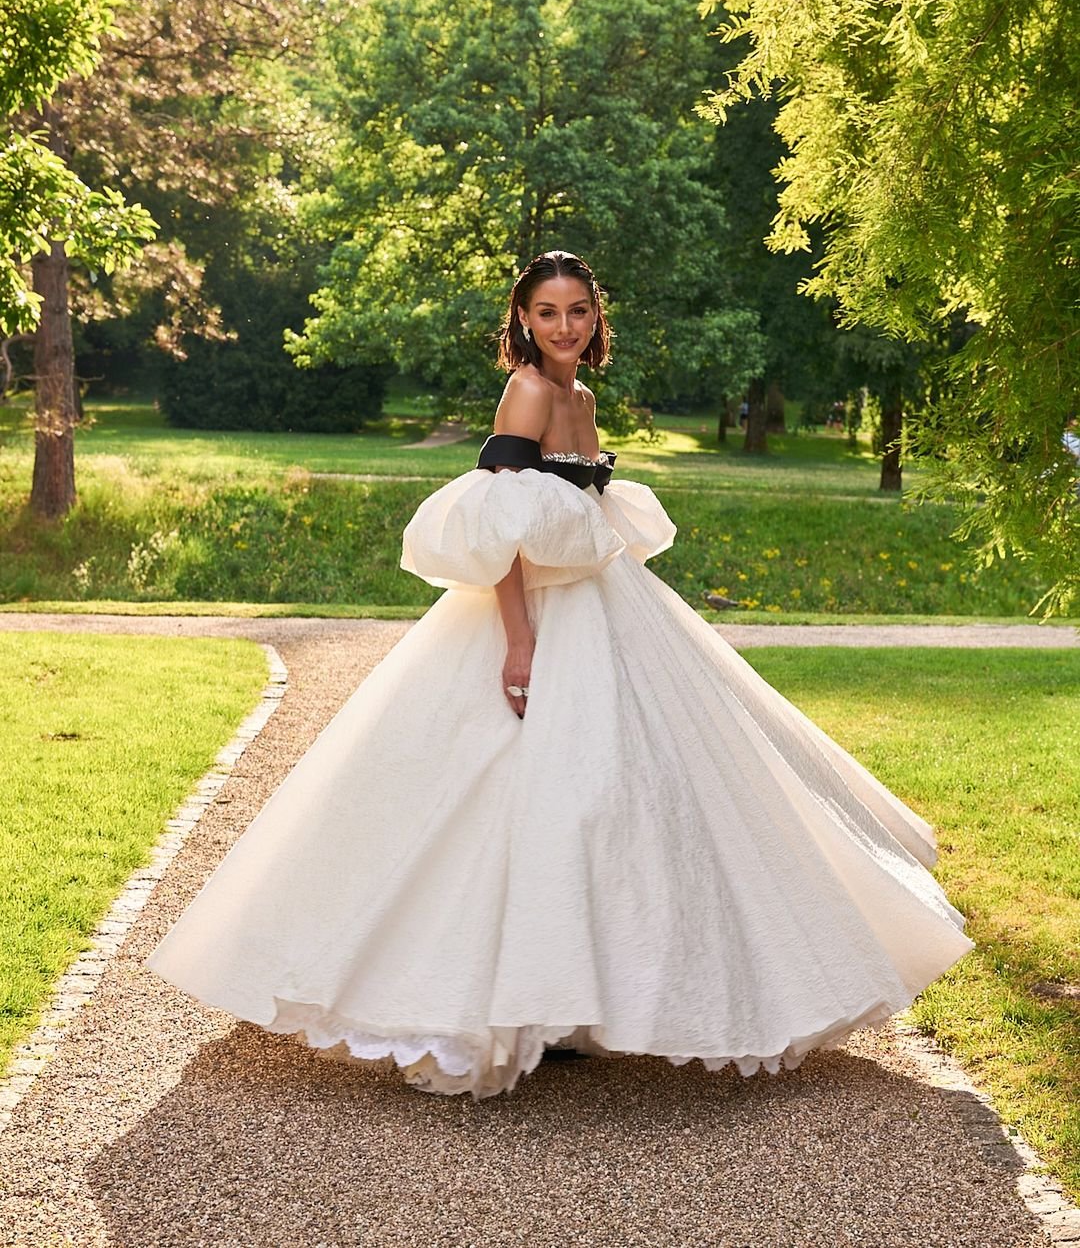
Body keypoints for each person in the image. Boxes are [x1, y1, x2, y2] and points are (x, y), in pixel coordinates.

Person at [146, 250, 974, 1100]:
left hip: (608, 606)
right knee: (534, 799)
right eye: (547, 313)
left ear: (595, 318)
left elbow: (580, 513)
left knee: (634, 797)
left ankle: (581, 998)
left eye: (578, 311)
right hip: (535, 616)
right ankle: (482, 997)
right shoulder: (530, 393)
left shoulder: (581, 397)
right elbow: (500, 526)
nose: (565, 327)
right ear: (524, 322)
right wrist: (517, 642)